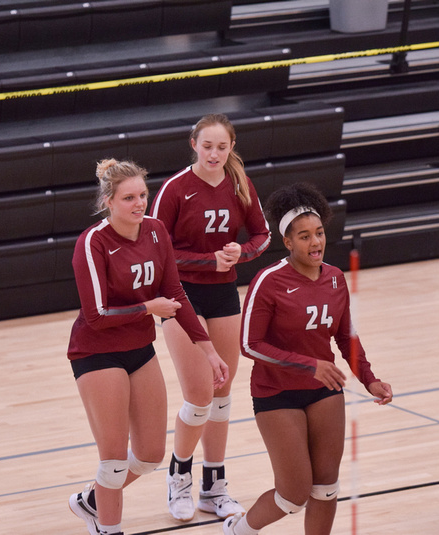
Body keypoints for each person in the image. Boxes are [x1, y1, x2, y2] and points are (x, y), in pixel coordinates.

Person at [67, 159, 228, 535]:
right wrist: (147, 309)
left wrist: (208, 350)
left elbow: (174, 293)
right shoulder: (93, 242)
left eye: (142, 195)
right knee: (113, 462)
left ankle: (91, 502)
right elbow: (96, 315)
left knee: (151, 454)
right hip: (96, 353)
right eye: (128, 198)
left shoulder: (155, 231)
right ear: (108, 201)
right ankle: (108, 527)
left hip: (139, 348)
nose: (139, 204)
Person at [226, 182, 393, 535]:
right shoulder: (268, 281)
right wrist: (310, 365)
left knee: (326, 488)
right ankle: (237, 530)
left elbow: (347, 336)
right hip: (277, 393)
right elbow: (249, 344)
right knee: (293, 495)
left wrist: (370, 379)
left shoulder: (334, 278)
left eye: (318, 233)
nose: (315, 242)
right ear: (287, 242)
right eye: (304, 236)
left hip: (324, 391)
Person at [149, 113, 270, 521]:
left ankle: (213, 486)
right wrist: (207, 260)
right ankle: (179, 474)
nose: (214, 153)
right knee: (199, 394)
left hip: (222, 293)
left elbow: (262, 234)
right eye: (207, 146)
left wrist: (243, 253)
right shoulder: (175, 189)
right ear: (193, 144)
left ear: (231, 147)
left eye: (222, 146)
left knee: (222, 392)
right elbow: (155, 250)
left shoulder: (240, 184)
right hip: (181, 292)